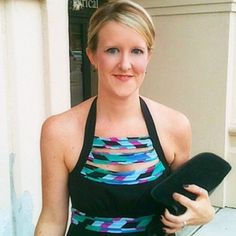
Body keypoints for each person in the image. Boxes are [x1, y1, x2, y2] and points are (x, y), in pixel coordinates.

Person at [35, 0, 215, 235]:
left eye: (137, 51)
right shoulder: (59, 131)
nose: (125, 64)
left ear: (148, 56)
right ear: (92, 55)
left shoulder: (175, 126)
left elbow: (181, 205)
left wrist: (203, 213)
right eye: (112, 50)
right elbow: (51, 220)